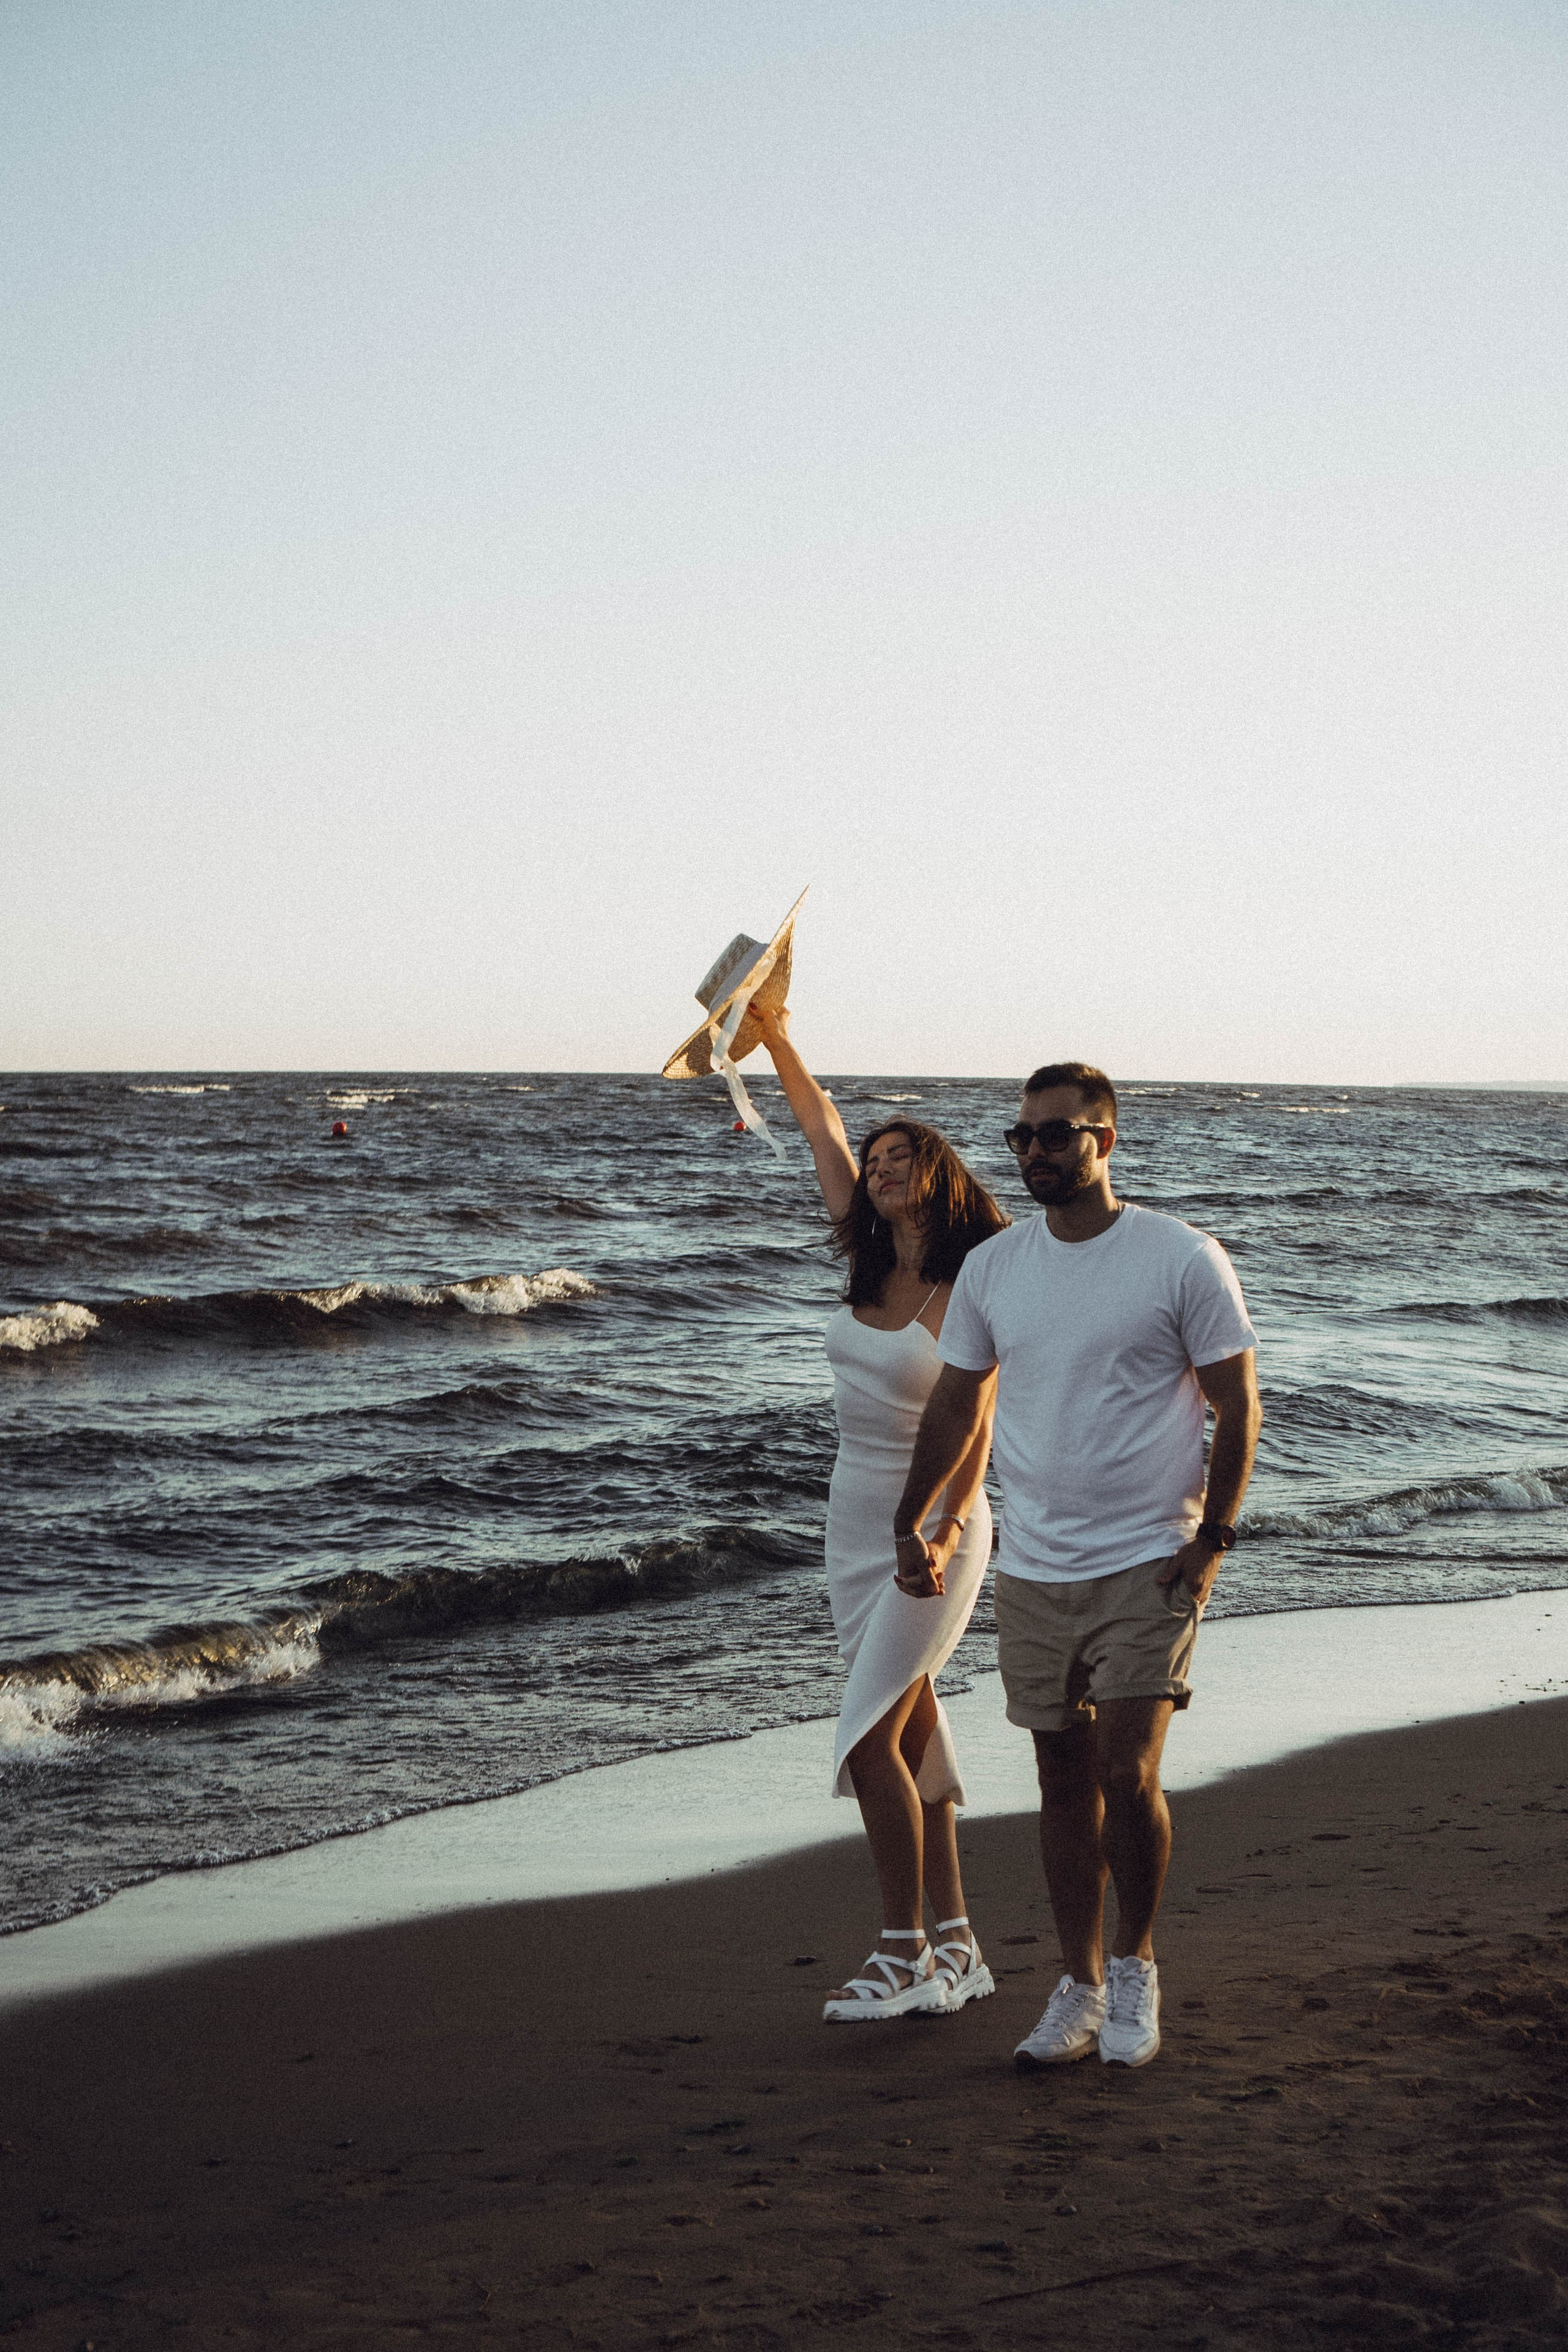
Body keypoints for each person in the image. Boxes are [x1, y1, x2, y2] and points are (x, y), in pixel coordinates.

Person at [891, 1061, 1261, 2070]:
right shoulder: (996, 1269)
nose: (1036, 1152)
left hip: (1152, 1561)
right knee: (1061, 1782)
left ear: (1105, 1140)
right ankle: (1079, 1985)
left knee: (1126, 1773)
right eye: (1022, 1137)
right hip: (1036, 1565)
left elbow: (1238, 1404)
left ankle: (1136, 1968)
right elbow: (960, 1402)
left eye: (1056, 1134)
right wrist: (916, 1517)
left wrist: (1212, 1541)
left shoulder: (1180, 1257)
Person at [753, 1005, 1009, 2021]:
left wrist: (940, 1528)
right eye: (876, 1155)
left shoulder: (970, 1280)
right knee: (906, 1738)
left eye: (902, 1154)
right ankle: (958, 1949)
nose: (881, 1165)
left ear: (937, 1171)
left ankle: (902, 1953)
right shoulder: (867, 1255)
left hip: (937, 1527)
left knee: (866, 1735)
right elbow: (818, 1124)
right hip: (850, 1520)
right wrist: (774, 1035)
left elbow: (979, 1421)